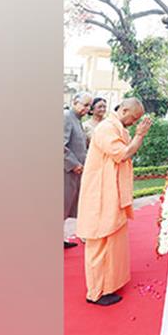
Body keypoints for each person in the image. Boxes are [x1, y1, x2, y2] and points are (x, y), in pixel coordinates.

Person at [75, 97, 153, 306]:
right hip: (100, 193)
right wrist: (140, 135)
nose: (134, 123)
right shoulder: (106, 128)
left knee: (112, 240)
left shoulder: (117, 127)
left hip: (111, 191)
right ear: (125, 110)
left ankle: (108, 284)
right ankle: (96, 292)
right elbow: (123, 154)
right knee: (100, 241)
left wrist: (136, 134)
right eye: (133, 118)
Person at [64, 92, 92, 249]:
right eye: (85, 105)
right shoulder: (67, 117)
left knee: (66, 206)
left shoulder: (77, 120)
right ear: (75, 102)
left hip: (75, 172)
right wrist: (73, 163)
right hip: (66, 171)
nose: (87, 109)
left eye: (89, 106)